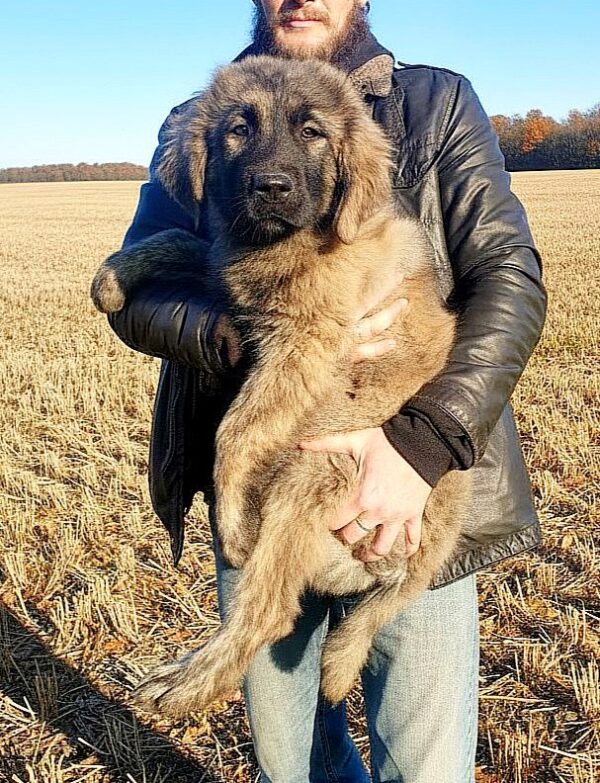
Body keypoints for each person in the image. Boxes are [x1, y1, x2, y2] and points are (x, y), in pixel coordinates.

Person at [107, 1, 547, 780]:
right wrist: (247, 330)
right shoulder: (204, 115)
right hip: (264, 486)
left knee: (426, 765)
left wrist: (422, 446)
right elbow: (138, 284)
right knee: (291, 761)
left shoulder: (434, 103)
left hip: (418, 480)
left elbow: (509, 279)